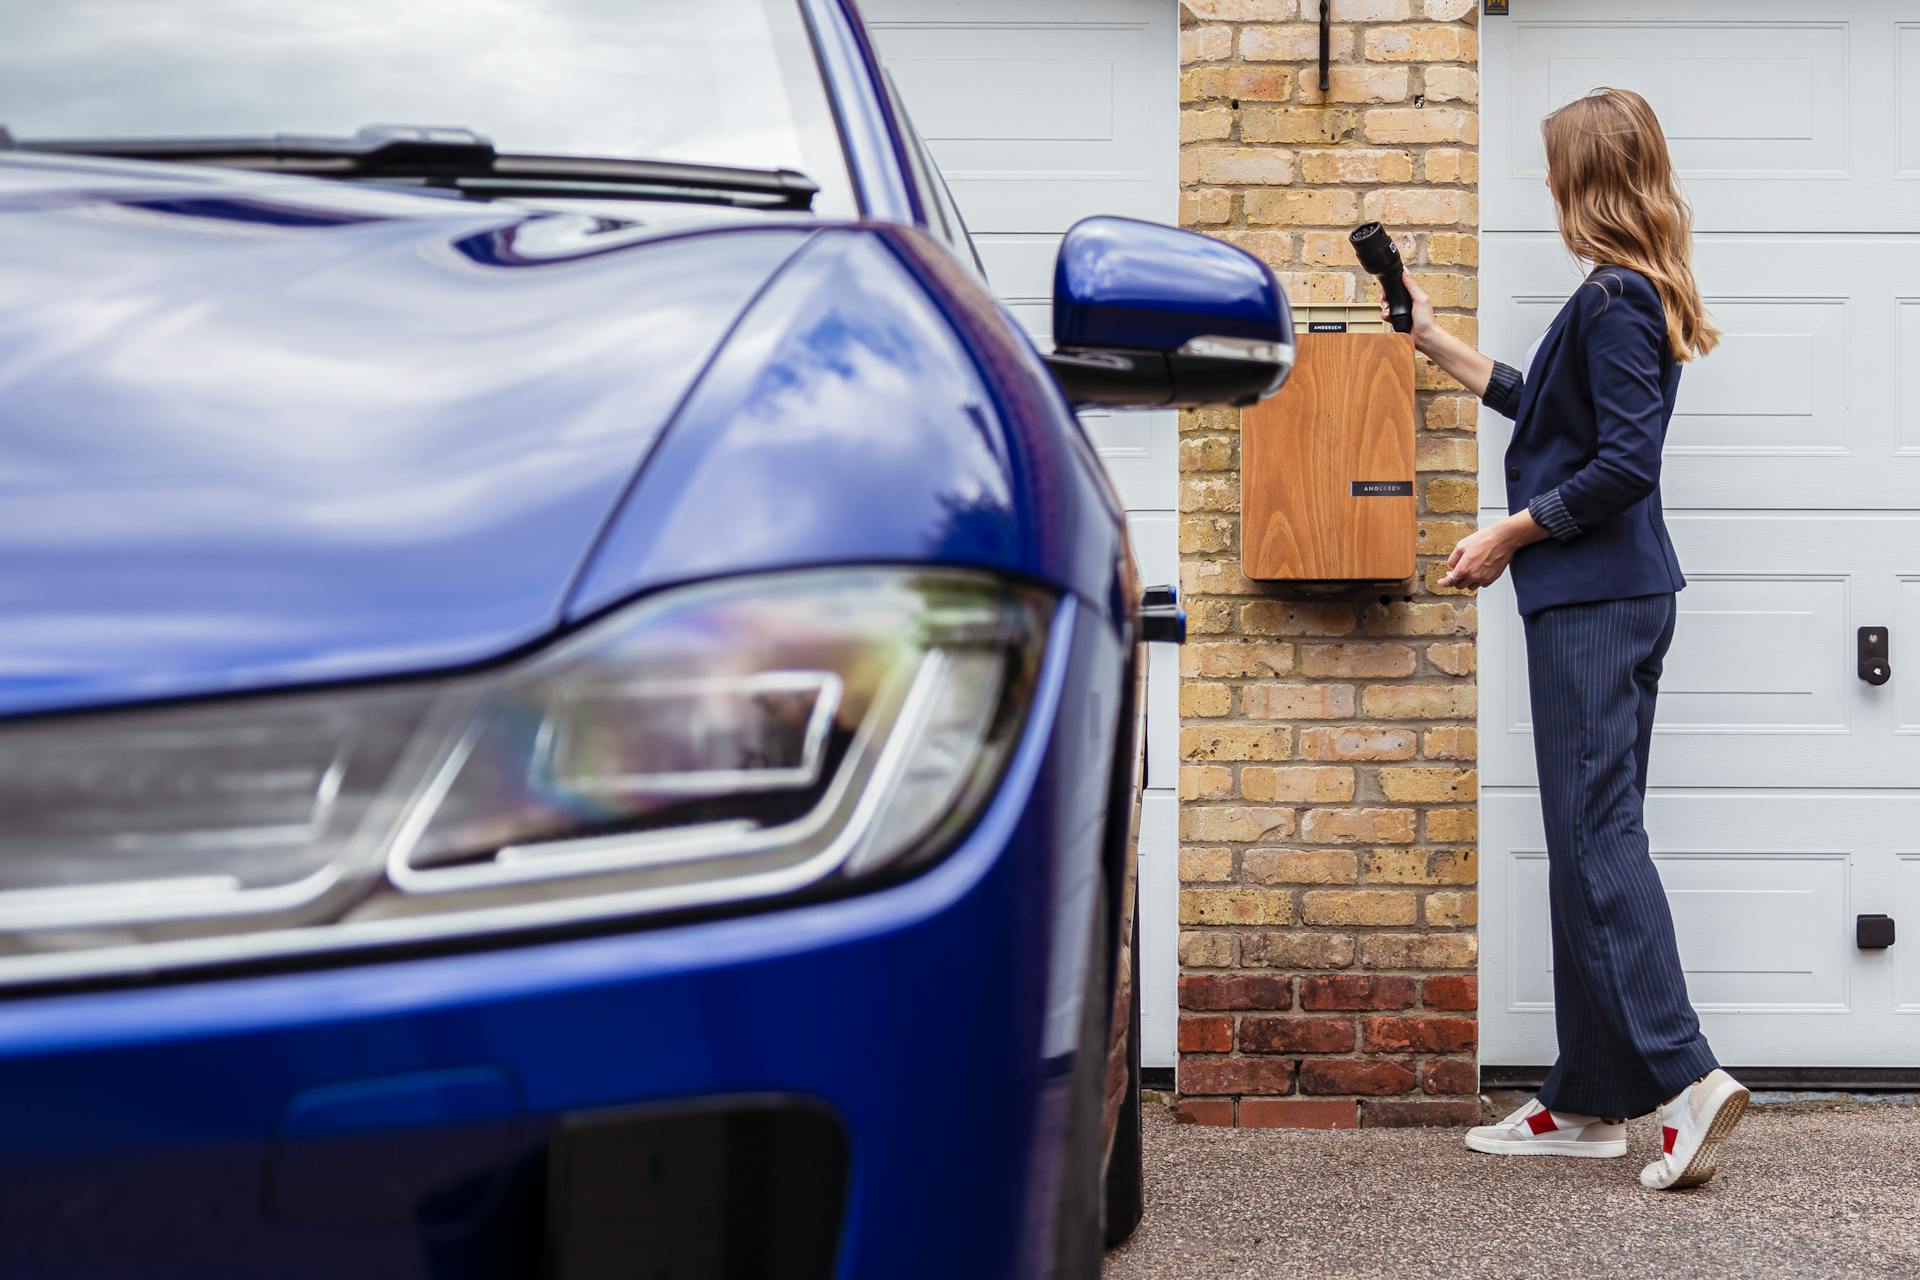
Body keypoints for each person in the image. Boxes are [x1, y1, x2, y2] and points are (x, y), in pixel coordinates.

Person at [1390, 87, 1747, 1190]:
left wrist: (1509, 532)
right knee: (1588, 834)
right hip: (1608, 596)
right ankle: (1589, 1098)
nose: (1542, 184)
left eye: (1552, 167)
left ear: (1585, 180)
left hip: (1597, 598)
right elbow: (1549, 411)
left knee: (1595, 837)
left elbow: (1625, 461)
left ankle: (1687, 1078)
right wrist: (1436, 341)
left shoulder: (1614, 299)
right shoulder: (1619, 298)